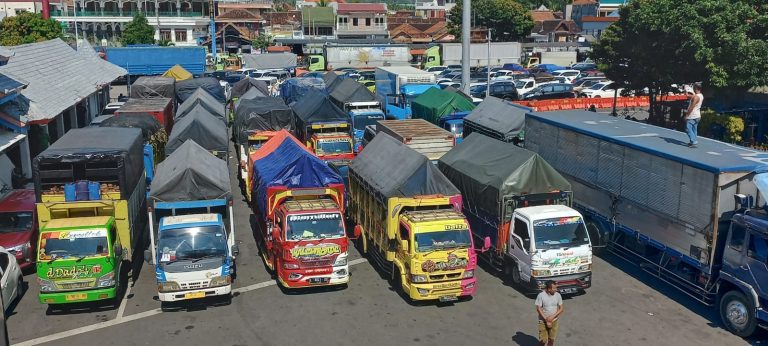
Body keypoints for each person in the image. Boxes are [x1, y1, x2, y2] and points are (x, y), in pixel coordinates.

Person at [536, 281, 564, 346]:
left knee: (551, 340)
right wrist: (546, 320)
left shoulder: (558, 295)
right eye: (554, 288)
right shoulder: (541, 295)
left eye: (556, 288)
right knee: (543, 341)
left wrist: (552, 317)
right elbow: (538, 309)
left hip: (554, 321)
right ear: (549, 289)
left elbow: (561, 308)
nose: (556, 290)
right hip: (543, 321)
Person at [685, 83, 703, 147]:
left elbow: (692, 107)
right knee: (694, 129)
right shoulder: (701, 95)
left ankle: (693, 141)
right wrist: (688, 95)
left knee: (688, 128)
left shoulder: (696, 97)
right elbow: (693, 97)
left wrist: (687, 115)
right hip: (698, 115)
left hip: (693, 116)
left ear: (695, 88)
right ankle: (692, 141)